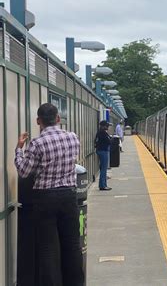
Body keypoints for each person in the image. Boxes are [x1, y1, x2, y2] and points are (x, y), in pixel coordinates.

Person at [15, 103, 84, 286]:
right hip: (69, 196)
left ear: (39, 121)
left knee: (48, 249)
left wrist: (19, 149)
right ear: (58, 119)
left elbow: (23, 171)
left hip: (45, 199)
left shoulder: (36, 143)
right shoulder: (73, 138)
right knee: (72, 245)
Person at [95, 120, 112, 191]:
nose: (107, 127)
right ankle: (102, 185)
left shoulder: (99, 133)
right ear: (102, 126)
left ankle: (103, 184)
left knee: (103, 168)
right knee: (103, 169)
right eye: (106, 126)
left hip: (100, 150)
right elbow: (109, 141)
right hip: (103, 151)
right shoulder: (103, 133)